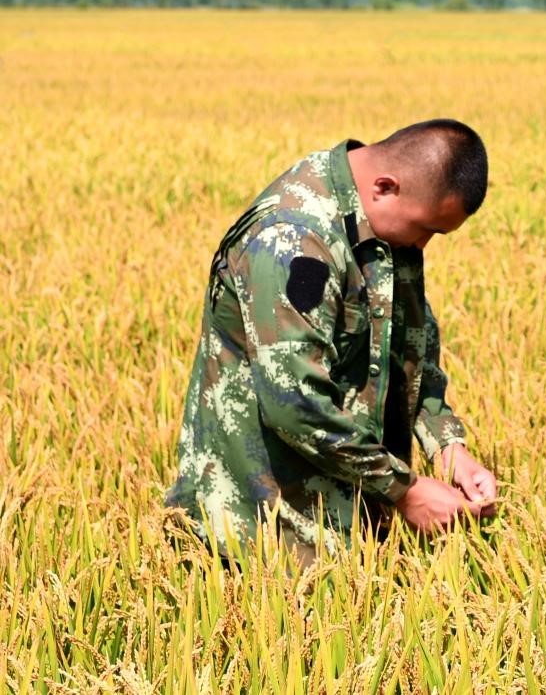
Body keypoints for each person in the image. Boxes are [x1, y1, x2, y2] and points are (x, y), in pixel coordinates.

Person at [166, 119, 498, 565]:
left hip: (345, 522)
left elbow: (412, 352)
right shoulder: (292, 240)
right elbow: (295, 403)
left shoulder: (387, 228)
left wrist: (448, 448)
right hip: (261, 536)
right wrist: (405, 491)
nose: (424, 244)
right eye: (427, 230)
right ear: (385, 187)